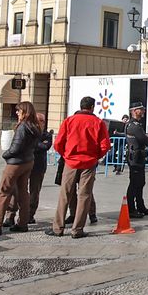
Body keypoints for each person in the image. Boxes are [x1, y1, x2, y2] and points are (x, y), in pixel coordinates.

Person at [52, 96, 111, 238]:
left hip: (71, 162)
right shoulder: (98, 122)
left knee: (65, 194)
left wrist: (66, 155)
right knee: (84, 196)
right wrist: (96, 156)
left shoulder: (69, 121)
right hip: (89, 162)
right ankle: (77, 229)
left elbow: (58, 143)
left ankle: (58, 228)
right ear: (92, 107)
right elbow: (105, 145)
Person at [0, 102, 39, 234]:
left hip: (16, 163)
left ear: (25, 112)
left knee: (4, 192)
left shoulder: (23, 127)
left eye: (19, 111)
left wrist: (5, 154)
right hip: (28, 161)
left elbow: (16, 147)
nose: (17, 113)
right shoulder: (34, 126)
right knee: (23, 192)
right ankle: (23, 223)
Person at [125, 102, 148, 217]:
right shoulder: (134, 126)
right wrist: (147, 136)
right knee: (134, 183)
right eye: (141, 109)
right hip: (135, 158)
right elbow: (144, 139)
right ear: (134, 111)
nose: (143, 111)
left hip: (138, 157)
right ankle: (131, 209)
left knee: (140, 183)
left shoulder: (135, 125)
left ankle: (140, 207)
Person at [23, 125, 54, 226]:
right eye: (39, 120)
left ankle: (30, 215)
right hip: (25, 163)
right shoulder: (27, 130)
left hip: (38, 166)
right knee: (18, 189)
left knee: (34, 191)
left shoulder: (46, 134)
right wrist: (38, 143)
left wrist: (34, 143)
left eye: (42, 121)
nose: (40, 123)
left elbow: (45, 146)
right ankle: (11, 215)